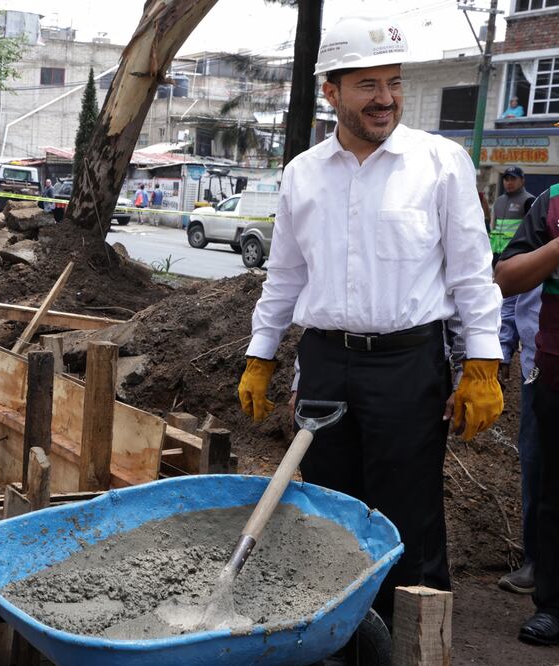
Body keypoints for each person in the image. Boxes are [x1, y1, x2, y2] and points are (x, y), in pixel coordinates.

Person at [237, 16, 504, 625]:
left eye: (393, 82)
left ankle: (413, 642)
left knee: (409, 515)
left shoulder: (440, 163)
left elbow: (471, 273)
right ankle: (344, 637)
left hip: (407, 366)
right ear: (330, 91)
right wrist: (261, 354)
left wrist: (483, 364)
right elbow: (285, 276)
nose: (385, 98)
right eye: (367, 85)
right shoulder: (302, 174)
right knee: (332, 509)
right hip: (327, 362)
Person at [495, 185, 559, 645]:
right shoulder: (550, 203)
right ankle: (550, 596)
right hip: (550, 369)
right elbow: (506, 279)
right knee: (547, 484)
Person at [497, 285, 542, 595]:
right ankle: (538, 561)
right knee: (538, 466)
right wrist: (501, 348)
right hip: (540, 369)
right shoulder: (539, 234)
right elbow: (511, 290)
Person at [491, 166, 535, 261]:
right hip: (496, 253)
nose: (509, 182)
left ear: (522, 180)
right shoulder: (498, 201)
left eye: (513, 179)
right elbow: (493, 227)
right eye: (506, 179)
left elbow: (532, 230)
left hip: (516, 253)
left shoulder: (529, 200)